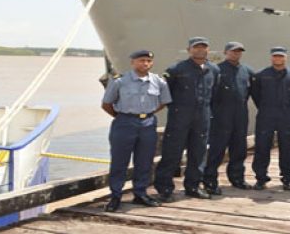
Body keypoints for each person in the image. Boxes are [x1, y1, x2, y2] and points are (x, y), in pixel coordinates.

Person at [101, 50, 172, 212]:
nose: (145, 63)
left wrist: (148, 113)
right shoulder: (120, 81)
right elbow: (106, 103)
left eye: (148, 61)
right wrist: (122, 116)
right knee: (120, 161)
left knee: (145, 161)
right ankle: (115, 196)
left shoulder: (159, 82)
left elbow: (164, 101)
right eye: (141, 60)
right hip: (124, 123)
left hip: (147, 123)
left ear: (152, 63)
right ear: (133, 62)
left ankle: (140, 193)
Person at [154, 37, 219, 202]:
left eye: (203, 47)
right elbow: (165, 94)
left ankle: (193, 186)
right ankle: (165, 188)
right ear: (189, 50)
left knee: (198, 153)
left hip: (202, 117)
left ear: (208, 50)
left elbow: (214, 93)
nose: (200, 50)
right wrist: (178, 111)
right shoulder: (176, 69)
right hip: (179, 117)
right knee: (172, 153)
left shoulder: (214, 69)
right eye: (196, 47)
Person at [202, 42, 255, 195]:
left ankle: (237, 178)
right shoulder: (217, 70)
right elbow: (209, 93)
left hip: (240, 115)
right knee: (217, 150)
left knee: (239, 149)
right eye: (233, 51)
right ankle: (210, 180)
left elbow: (253, 92)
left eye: (239, 51)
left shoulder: (247, 71)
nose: (236, 54)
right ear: (226, 52)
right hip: (221, 115)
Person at [250, 47, 290, 190]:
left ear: (285, 58)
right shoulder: (260, 75)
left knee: (287, 148)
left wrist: (288, 108)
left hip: (287, 115)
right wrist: (266, 107)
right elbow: (256, 95)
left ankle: (287, 179)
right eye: (275, 56)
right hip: (266, 115)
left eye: (281, 56)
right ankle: (261, 178)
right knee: (262, 147)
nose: (278, 59)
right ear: (271, 58)